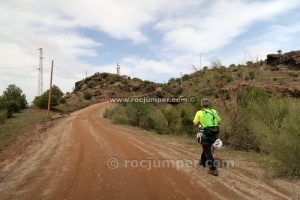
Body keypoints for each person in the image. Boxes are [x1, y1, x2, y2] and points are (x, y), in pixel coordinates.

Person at [193, 98, 221, 176]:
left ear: (202, 105)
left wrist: (200, 121)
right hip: (214, 134)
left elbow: (194, 123)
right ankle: (202, 162)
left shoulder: (199, 112)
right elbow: (219, 122)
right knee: (206, 148)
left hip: (205, 134)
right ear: (209, 105)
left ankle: (213, 169)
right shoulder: (214, 111)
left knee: (207, 151)